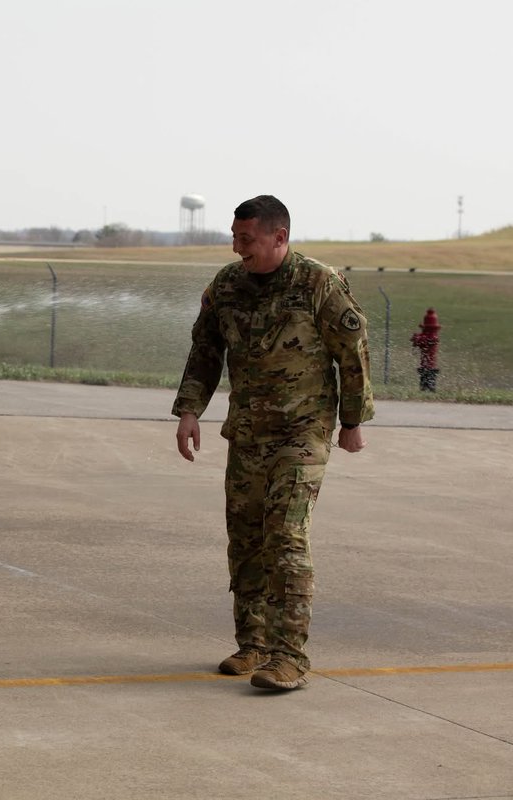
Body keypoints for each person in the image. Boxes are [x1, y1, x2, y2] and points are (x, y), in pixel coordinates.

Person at [172, 195, 373, 691]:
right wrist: (190, 410)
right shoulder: (227, 285)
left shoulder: (318, 284)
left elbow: (352, 351)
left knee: (285, 535)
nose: (238, 248)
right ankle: (253, 645)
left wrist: (352, 420)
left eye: (248, 240)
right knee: (245, 538)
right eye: (235, 238)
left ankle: (290, 656)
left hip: (302, 432)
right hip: (247, 431)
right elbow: (205, 349)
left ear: (279, 237)